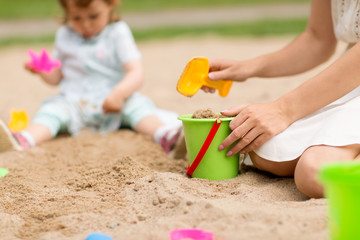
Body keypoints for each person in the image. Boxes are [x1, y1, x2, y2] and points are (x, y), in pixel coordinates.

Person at [203, 0, 360, 198]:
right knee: (265, 151)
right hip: (350, 79)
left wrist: (283, 109)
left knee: (316, 172)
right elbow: (317, 39)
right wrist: (248, 67)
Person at [0, 0, 182, 154]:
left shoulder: (117, 32)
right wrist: (42, 71)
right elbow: (57, 77)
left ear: (111, 4)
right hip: (74, 102)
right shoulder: (65, 35)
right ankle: (25, 139)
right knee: (51, 111)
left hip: (113, 102)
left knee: (138, 108)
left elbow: (136, 71)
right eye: (76, 18)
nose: (85, 25)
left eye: (93, 16)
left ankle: (164, 135)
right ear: (66, 11)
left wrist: (120, 94)